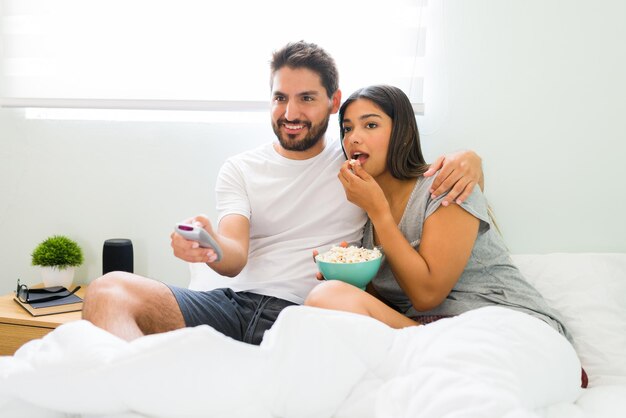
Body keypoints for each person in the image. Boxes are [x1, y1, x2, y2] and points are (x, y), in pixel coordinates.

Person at [82, 42, 483, 345]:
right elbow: (234, 255)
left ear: (333, 102)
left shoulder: (357, 163)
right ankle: (126, 391)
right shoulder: (240, 168)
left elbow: (415, 175)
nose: (290, 113)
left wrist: (471, 159)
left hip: (309, 315)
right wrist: (212, 248)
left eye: (306, 98)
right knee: (108, 289)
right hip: (231, 305)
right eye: (280, 98)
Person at [304, 84, 572, 340]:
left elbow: (427, 295)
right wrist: (349, 276)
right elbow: (394, 301)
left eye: (370, 125)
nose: (353, 138)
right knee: (326, 296)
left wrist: (379, 213)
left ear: (404, 134)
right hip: (432, 333)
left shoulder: (445, 185)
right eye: (346, 128)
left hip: (507, 322)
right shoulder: (366, 225)